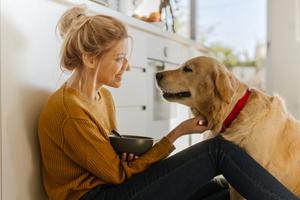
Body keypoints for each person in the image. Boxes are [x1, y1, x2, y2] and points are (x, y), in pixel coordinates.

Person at [38, 6, 299, 200]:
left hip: (114, 187)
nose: (126, 66)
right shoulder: (69, 111)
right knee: (217, 151)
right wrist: (178, 132)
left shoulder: (101, 97)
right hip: (100, 197)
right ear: (90, 59)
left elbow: (108, 161)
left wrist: (127, 157)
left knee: (222, 190)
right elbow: (117, 174)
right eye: (119, 58)